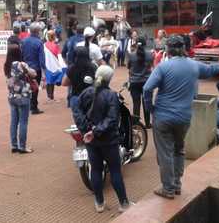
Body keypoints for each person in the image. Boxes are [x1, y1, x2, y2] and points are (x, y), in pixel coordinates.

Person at [143, 35, 219, 199]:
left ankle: (167, 188)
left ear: (167, 49)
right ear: (183, 48)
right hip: (184, 117)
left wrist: (150, 108)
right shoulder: (194, 65)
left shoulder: (163, 67)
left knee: (165, 153)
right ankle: (176, 185)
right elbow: (213, 69)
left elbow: (147, 89)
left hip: (163, 117)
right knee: (179, 149)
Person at [73, 66, 131, 213]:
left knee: (96, 170)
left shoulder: (86, 92)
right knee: (115, 171)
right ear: (109, 79)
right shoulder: (111, 95)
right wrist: (95, 131)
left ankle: (99, 203)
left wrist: (87, 130)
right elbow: (112, 119)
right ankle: (123, 203)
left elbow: (76, 111)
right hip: (108, 140)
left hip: (91, 141)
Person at [4, 45, 36, 154]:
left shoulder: (7, 65)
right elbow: (33, 74)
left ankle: (14, 145)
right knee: (23, 122)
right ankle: (22, 146)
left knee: (14, 122)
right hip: (23, 96)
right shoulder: (21, 64)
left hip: (12, 96)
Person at [127, 37, 153, 128]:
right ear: (145, 44)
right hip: (147, 81)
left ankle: (137, 124)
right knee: (146, 103)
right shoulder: (150, 54)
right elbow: (151, 66)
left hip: (134, 82)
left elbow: (128, 67)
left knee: (136, 104)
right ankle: (147, 123)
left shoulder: (131, 55)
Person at [63, 47, 98, 112]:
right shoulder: (93, 67)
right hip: (90, 96)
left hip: (76, 96)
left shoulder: (72, 68)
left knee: (79, 119)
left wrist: (74, 80)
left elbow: (64, 83)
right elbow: (98, 81)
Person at [21, 24, 46, 114]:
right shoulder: (39, 42)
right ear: (37, 32)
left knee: (26, 86)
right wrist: (43, 71)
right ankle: (33, 107)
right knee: (35, 87)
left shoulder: (24, 41)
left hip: (25, 67)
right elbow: (41, 59)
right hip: (36, 68)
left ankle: (27, 105)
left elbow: (21, 54)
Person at [43, 30, 65, 102]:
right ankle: (51, 96)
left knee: (48, 80)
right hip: (54, 65)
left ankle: (49, 96)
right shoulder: (56, 45)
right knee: (51, 81)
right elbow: (59, 56)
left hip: (47, 64)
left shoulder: (44, 45)